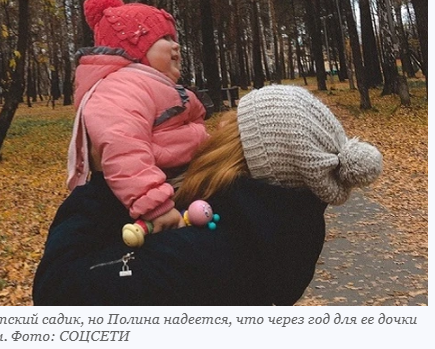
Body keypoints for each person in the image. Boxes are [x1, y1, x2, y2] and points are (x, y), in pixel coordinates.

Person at [33, 85, 382, 305]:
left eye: (232, 122)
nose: (216, 127)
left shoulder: (206, 254)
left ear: (241, 153)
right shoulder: (277, 232)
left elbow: (58, 292)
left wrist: (102, 184)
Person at [66, 0, 210, 234]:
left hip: (187, 175)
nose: (176, 44)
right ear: (134, 48)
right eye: (164, 37)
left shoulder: (160, 86)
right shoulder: (121, 85)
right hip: (158, 189)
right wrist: (155, 204)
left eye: (174, 37)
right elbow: (123, 144)